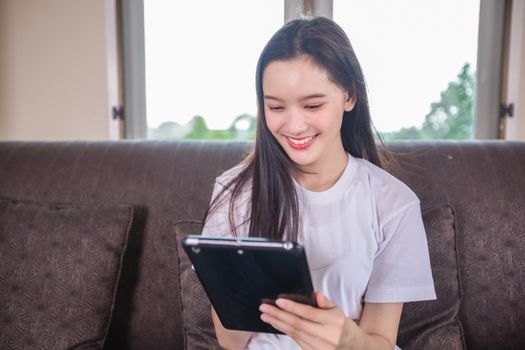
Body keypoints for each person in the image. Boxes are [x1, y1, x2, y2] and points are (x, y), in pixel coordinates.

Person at [201, 16, 436, 350]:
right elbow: (229, 339)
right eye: (276, 107)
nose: (295, 126)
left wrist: (345, 338)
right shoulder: (234, 193)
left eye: (313, 105)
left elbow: (382, 340)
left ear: (350, 96)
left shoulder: (392, 203)